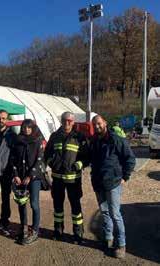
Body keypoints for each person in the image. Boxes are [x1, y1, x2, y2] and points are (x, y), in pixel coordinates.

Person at [89, 115, 135, 259]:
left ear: (105, 123)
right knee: (105, 212)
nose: (97, 127)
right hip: (98, 183)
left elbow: (130, 159)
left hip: (113, 183)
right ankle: (108, 238)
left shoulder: (116, 140)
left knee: (115, 214)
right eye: (94, 125)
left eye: (99, 124)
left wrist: (125, 177)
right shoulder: (94, 141)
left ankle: (121, 244)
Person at [44, 111, 88, 244]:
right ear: (61, 121)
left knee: (75, 206)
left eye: (69, 121)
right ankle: (58, 231)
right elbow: (47, 154)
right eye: (64, 120)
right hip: (57, 178)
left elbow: (87, 156)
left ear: (73, 122)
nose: (67, 123)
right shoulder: (54, 136)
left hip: (73, 179)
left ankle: (78, 233)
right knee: (58, 206)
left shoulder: (79, 137)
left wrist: (79, 164)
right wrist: (52, 162)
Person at [11, 119, 46, 245]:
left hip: (34, 178)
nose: (26, 130)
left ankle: (35, 230)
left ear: (33, 128)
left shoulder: (37, 141)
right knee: (22, 203)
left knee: (34, 203)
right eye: (24, 127)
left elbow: (40, 160)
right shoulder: (17, 141)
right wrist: (15, 175)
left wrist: (30, 176)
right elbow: (13, 159)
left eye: (29, 127)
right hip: (20, 178)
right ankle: (24, 227)